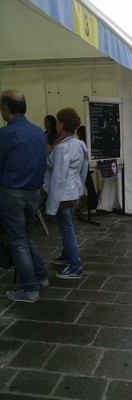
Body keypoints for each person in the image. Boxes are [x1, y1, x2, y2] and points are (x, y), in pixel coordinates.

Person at [0, 90, 48, 303]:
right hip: (34, 193)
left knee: (17, 240)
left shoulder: (6, 134)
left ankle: (30, 290)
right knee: (25, 236)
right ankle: (41, 277)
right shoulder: (39, 132)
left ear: (6, 109)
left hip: (12, 193)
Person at [43, 108, 88, 278]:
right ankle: (67, 255)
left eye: (58, 121)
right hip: (73, 192)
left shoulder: (62, 148)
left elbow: (58, 177)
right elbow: (83, 170)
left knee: (66, 228)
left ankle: (75, 265)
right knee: (67, 226)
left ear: (62, 124)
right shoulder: (79, 144)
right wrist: (79, 188)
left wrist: (51, 204)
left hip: (62, 194)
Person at [77, 125, 98, 213]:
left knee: (89, 186)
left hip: (85, 167)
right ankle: (92, 205)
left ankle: (92, 206)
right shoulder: (88, 141)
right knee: (90, 186)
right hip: (88, 166)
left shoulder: (82, 142)